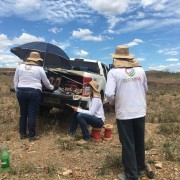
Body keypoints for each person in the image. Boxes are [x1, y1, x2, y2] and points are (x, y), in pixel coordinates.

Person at [105, 45, 148, 180]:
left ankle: (131, 175)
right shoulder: (140, 71)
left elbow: (109, 94)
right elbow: (145, 88)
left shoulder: (113, 72)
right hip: (140, 111)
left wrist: (112, 104)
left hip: (124, 112)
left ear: (116, 59)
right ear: (129, 58)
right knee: (139, 140)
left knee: (128, 143)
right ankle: (141, 167)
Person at [14, 51, 54, 141]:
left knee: (23, 113)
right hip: (34, 92)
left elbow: (15, 81)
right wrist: (52, 88)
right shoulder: (40, 69)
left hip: (21, 91)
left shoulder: (19, 67)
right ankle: (32, 135)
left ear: (29, 58)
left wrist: (17, 91)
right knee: (32, 113)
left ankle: (22, 134)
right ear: (37, 60)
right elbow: (46, 82)